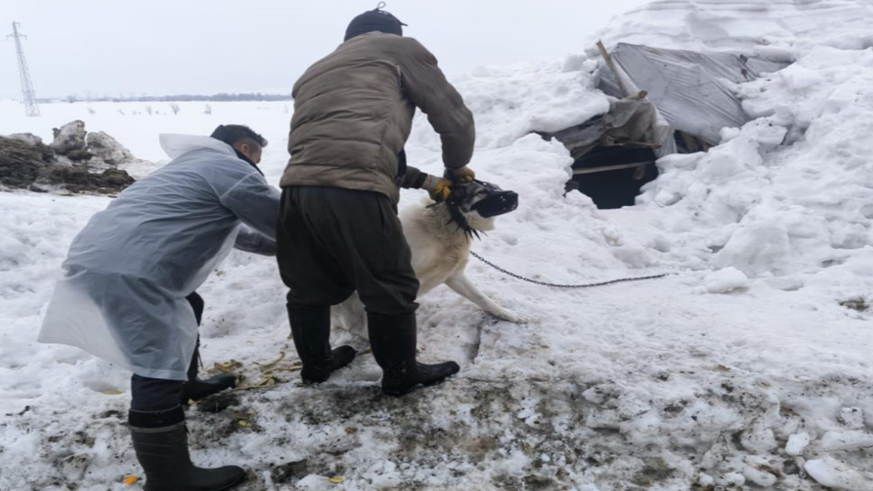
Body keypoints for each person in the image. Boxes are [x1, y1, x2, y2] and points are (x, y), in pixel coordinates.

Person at [39, 125, 279, 491]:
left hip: (103, 259)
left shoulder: (187, 168)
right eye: (257, 156)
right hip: (132, 273)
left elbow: (242, 235)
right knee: (157, 364)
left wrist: (280, 245)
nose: (257, 164)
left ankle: (186, 385)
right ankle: (170, 478)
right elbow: (286, 221)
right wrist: (338, 233)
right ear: (245, 148)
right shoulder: (230, 167)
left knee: (189, 302)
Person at [277, 6, 476, 397]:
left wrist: (426, 182)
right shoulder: (399, 50)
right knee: (389, 282)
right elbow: (454, 118)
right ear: (392, 33)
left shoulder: (316, 69)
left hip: (297, 190)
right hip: (357, 189)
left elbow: (347, 142)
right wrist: (455, 168)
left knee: (307, 285)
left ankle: (316, 365)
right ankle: (401, 374)